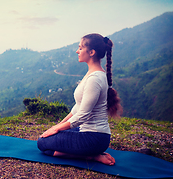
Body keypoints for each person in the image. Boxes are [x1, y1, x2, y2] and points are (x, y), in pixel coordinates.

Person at [37, 33, 122, 165]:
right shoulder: (92, 74)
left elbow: (82, 115)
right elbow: (77, 108)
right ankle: (92, 154)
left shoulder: (94, 79)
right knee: (49, 136)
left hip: (94, 138)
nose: (77, 51)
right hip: (89, 132)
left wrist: (57, 129)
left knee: (42, 143)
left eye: (81, 48)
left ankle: (93, 156)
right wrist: (58, 125)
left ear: (92, 52)